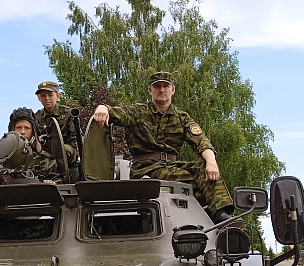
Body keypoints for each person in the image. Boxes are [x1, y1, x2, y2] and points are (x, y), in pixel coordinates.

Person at [92, 71, 235, 223]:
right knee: (199, 185)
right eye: (157, 86)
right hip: (146, 168)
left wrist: (211, 162)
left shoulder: (181, 117)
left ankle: (221, 215)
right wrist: (103, 108)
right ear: (150, 90)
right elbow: (118, 113)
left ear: (173, 90)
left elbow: (200, 141)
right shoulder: (138, 112)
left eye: (165, 86)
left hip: (171, 166)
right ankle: (211, 213)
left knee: (203, 166)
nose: (161, 90)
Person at [0, 107, 65, 184]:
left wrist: (50, 184)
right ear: (12, 130)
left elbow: (58, 183)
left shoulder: (46, 160)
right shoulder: (0, 161)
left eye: (27, 128)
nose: (22, 132)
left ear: (33, 131)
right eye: (18, 127)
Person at [34, 81, 81, 182]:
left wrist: (79, 155)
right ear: (38, 98)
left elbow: (75, 137)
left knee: (62, 149)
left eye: (50, 95)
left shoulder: (68, 113)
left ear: (58, 96)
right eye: (43, 95)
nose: (47, 98)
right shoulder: (36, 117)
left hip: (68, 151)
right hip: (46, 152)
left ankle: (64, 178)